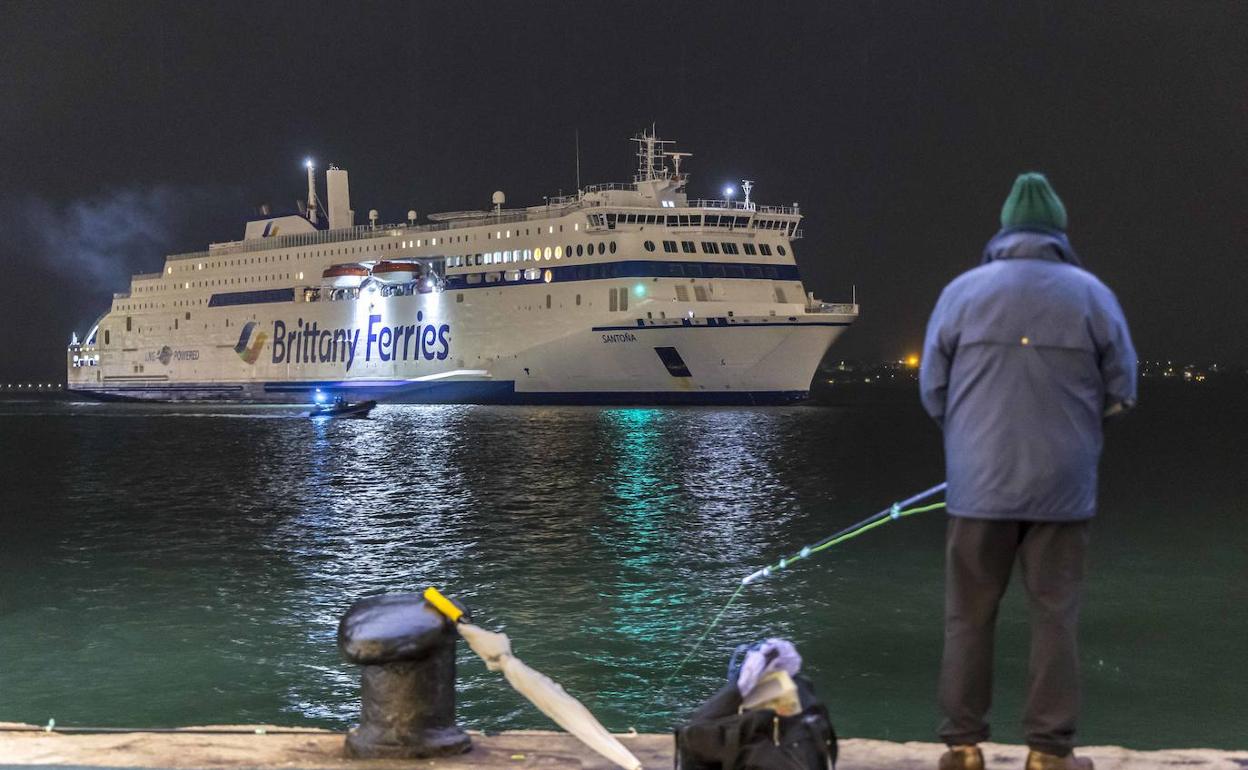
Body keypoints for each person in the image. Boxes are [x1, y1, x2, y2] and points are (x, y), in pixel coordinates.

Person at [919, 173, 1137, 770]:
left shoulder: (961, 293)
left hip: (976, 486)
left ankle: (962, 747)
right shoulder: (1092, 294)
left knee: (967, 615)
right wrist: (1079, 433)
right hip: (1062, 489)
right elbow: (1123, 389)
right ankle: (1048, 752)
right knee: (1055, 616)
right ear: (1058, 230)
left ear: (1006, 228)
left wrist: (970, 442)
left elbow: (933, 392)